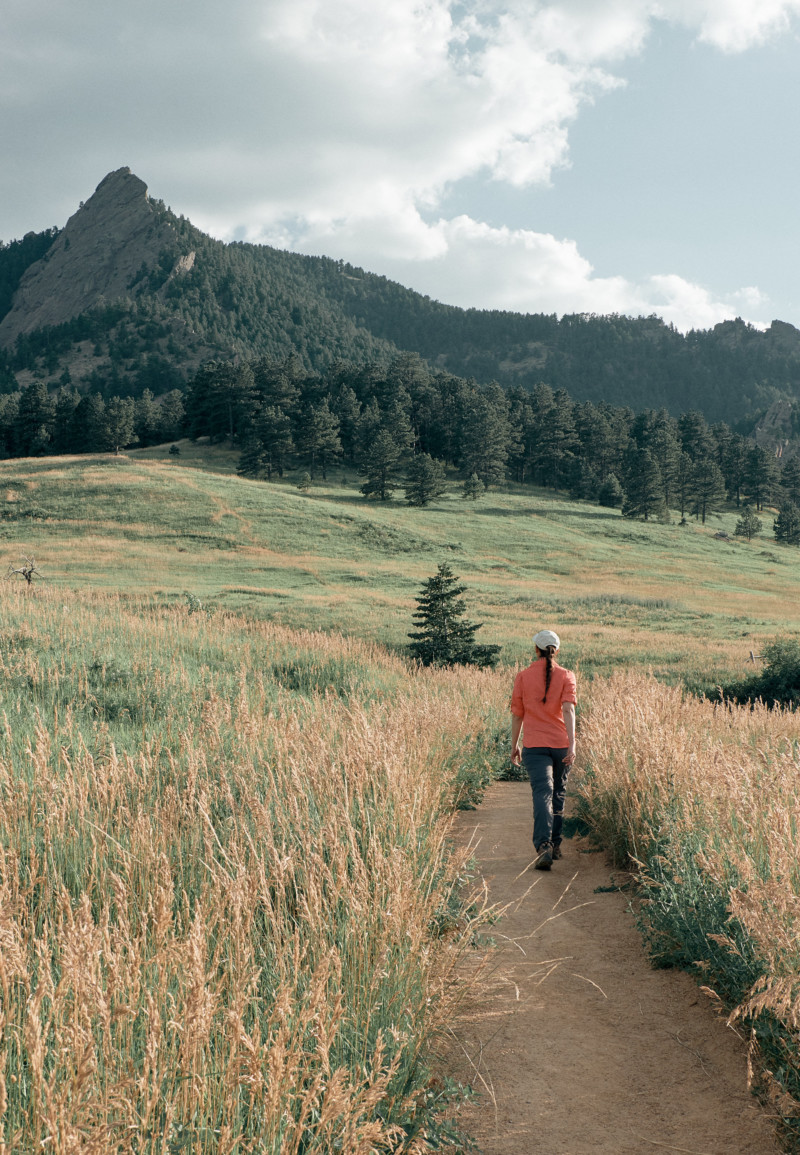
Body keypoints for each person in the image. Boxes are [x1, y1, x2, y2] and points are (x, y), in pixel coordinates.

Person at [510, 630, 577, 870]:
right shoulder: (567, 675)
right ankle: (556, 845)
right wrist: (572, 742)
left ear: (536, 650)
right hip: (560, 745)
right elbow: (568, 710)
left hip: (534, 746)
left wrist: (514, 745)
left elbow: (518, 715)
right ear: (556, 650)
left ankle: (543, 846)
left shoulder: (523, 677)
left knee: (542, 793)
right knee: (558, 792)